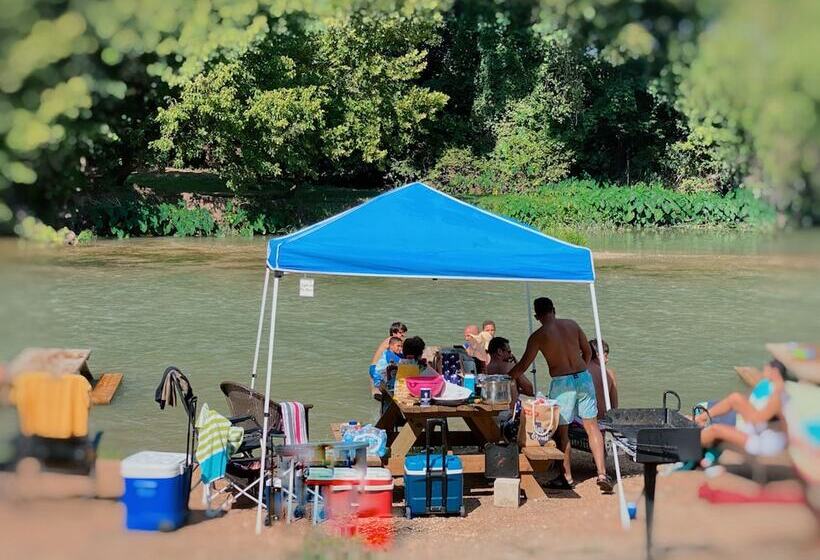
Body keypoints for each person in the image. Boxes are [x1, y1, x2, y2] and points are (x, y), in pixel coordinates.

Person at [506, 297, 612, 493]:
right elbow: (588, 352)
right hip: (583, 378)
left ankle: (566, 477)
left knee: (562, 433)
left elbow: (523, 365)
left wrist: (506, 378)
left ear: (537, 316)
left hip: (562, 383)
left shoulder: (538, 336)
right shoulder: (572, 324)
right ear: (554, 310)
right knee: (592, 426)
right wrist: (581, 368)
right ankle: (602, 474)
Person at [696, 360, 788, 464]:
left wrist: (742, 411)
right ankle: (700, 418)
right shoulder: (771, 386)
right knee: (736, 398)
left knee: (715, 429)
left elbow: (757, 420)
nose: (763, 371)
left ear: (774, 372)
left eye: (766, 369)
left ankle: (691, 444)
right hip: (759, 430)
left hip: (765, 443)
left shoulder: (777, 395)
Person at [588, 339, 618, 419]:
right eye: (606, 356)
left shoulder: (582, 371)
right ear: (598, 355)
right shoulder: (610, 374)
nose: (607, 360)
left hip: (585, 420)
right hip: (603, 420)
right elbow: (614, 406)